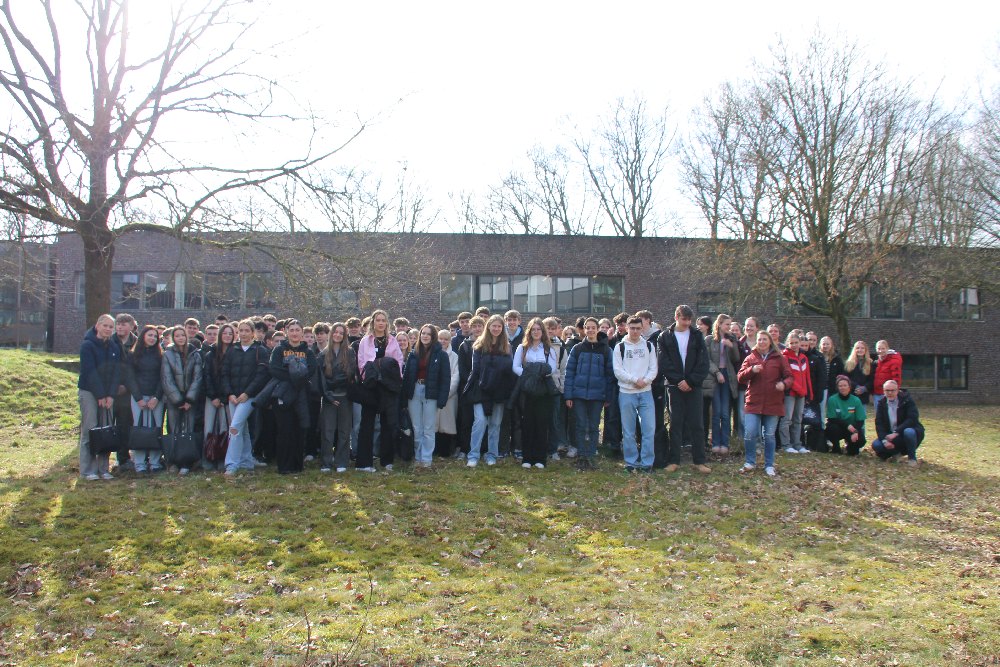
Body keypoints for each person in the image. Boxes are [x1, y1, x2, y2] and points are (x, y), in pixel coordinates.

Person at [658, 305, 711, 474]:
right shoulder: (665, 336)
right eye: (684, 319)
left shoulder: (697, 335)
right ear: (676, 317)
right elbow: (664, 362)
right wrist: (678, 381)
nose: (687, 323)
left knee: (697, 424)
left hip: (694, 386)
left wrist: (690, 381)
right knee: (676, 423)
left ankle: (699, 461)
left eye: (689, 320)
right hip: (674, 387)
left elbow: (703, 362)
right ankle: (674, 460)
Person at [738, 330, 793, 477]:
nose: (762, 342)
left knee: (769, 435)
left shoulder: (780, 358)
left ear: (770, 342)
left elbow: (789, 377)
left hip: (773, 403)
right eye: (759, 339)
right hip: (753, 402)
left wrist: (784, 384)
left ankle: (769, 465)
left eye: (764, 339)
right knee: (750, 432)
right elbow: (740, 377)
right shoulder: (751, 357)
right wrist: (752, 370)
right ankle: (750, 462)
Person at [463, 314, 515, 467]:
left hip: (499, 391)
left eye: (499, 326)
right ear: (489, 327)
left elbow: (509, 369)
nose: (496, 329)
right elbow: (475, 370)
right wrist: (468, 388)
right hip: (481, 389)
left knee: (495, 424)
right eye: (494, 326)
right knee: (479, 421)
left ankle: (491, 454)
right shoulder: (479, 345)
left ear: (502, 328)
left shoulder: (507, 346)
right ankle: (473, 455)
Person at [564, 317, 615, 471]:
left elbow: (610, 376)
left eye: (593, 327)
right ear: (584, 329)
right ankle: (581, 455)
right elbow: (569, 373)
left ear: (598, 329)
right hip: (579, 395)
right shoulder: (577, 349)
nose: (591, 330)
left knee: (593, 426)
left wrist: (608, 396)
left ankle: (591, 454)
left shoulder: (606, 350)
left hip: (597, 396)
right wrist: (568, 395)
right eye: (588, 327)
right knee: (580, 425)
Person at [356, 310, 405, 472]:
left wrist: (394, 380)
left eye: (383, 320)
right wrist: (369, 376)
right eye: (378, 320)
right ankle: (364, 463)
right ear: (373, 322)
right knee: (367, 424)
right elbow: (361, 362)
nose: (381, 323)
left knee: (387, 424)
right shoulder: (365, 341)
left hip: (387, 387)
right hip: (370, 386)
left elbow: (398, 362)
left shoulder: (392, 340)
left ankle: (387, 460)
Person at [77, 314, 123, 481]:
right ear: (97, 326)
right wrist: (100, 395)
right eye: (105, 326)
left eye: (111, 327)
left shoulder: (114, 347)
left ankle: (103, 469)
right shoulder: (87, 345)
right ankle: (87, 470)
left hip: (108, 394)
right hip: (90, 392)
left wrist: (110, 395)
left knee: (106, 430)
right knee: (90, 430)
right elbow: (90, 372)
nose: (108, 329)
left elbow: (116, 372)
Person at [221, 319, 270, 476]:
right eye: (240, 330)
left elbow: (261, 375)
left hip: (250, 396)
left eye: (246, 330)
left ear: (253, 332)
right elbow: (224, 373)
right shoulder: (232, 350)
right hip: (233, 397)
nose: (243, 333)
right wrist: (229, 393)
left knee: (234, 427)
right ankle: (246, 461)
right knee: (243, 429)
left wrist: (247, 393)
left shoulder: (260, 350)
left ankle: (231, 464)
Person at [268, 319, 316, 474]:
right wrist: (293, 376)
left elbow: (311, 369)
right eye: (292, 330)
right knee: (284, 430)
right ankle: (284, 466)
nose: (295, 333)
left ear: (302, 333)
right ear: (287, 332)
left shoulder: (308, 352)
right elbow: (274, 369)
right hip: (283, 393)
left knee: (299, 429)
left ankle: (297, 465)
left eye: (297, 330)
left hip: (302, 394)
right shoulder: (279, 350)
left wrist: (297, 378)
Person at [512, 317, 559, 469]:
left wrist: (537, 372)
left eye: (539, 329)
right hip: (527, 390)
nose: (536, 332)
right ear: (529, 331)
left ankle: (540, 458)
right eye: (533, 329)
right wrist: (529, 375)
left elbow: (551, 368)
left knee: (542, 424)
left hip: (543, 391)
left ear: (542, 331)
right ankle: (527, 458)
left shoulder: (549, 349)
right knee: (527, 424)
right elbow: (516, 367)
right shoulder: (522, 348)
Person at [401, 324, 451, 468]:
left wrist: (442, 399)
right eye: (423, 333)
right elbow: (406, 376)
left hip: (431, 393)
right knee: (417, 427)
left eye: (428, 334)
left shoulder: (441, 355)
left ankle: (426, 459)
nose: (425, 336)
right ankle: (418, 458)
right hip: (415, 391)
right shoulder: (413, 353)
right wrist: (404, 396)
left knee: (428, 428)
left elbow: (445, 379)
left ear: (433, 336)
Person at [612, 316, 658, 471]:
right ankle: (631, 463)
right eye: (632, 328)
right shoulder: (620, 347)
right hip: (626, 393)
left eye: (638, 328)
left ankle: (647, 463)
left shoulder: (649, 346)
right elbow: (618, 370)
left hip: (646, 392)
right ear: (627, 328)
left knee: (648, 429)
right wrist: (634, 380)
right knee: (628, 431)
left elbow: (653, 368)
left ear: (642, 329)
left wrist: (645, 381)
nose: (635, 331)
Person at [161, 325, 203, 475]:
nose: (180, 338)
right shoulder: (168, 354)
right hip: (174, 399)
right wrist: (178, 400)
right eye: (177, 335)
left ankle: (186, 461)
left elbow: (197, 378)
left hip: (190, 399)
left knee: (188, 430)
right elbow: (167, 378)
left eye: (182, 335)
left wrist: (189, 399)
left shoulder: (195, 354)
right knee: (174, 429)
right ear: (173, 337)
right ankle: (173, 461)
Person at [317, 322, 357, 473]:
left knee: (344, 431)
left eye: (341, 333)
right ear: (331, 333)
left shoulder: (350, 352)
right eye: (336, 332)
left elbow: (350, 373)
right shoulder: (323, 354)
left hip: (345, 396)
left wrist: (334, 383)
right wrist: (327, 394)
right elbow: (320, 378)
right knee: (327, 431)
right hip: (329, 398)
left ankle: (342, 461)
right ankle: (326, 462)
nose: (338, 335)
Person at [125, 325, 165, 474]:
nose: (152, 338)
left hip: (156, 398)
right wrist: (138, 398)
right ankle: (140, 463)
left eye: (155, 336)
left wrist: (157, 397)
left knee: (156, 428)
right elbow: (130, 377)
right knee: (139, 428)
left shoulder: (161, 356)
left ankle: (155, 462)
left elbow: (163, 378)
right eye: (150, 335)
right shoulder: (133, 355)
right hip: (139, 398)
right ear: (143, 336)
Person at [201, 322, 235, 472]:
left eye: (230, 333)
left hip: (228, 397)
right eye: (225, 333)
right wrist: (213, 396)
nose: (227, 336)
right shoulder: (211, 354)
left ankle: (223, 458)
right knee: (209, 429)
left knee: (226, 429)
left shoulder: (235, 353)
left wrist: (225, 396)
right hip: (212, 397)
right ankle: (208, 458)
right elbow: (207, 376)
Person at [706, 314, 740, 456]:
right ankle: (715, 443)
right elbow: (706, 360)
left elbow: (736, 359)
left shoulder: (732, 339)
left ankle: (725, 443)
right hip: (714, 377)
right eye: (727, 324)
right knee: (716, 412)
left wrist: (732, 347)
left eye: (730, 324)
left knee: (725, 413)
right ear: (719, 324)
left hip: (728, 377)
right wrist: (717, 372)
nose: (729, 327)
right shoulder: (709, 340)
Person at [872, 380, 924, 466]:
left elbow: (912, 419)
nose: (890, 393)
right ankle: (896, 454)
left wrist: (896, 432)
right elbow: (879, 424)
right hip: (891, 436)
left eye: (893, 390)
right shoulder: (881, 404)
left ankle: (912, 458)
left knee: (909, 432)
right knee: (876, 445)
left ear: (897, 390)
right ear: (883, 391)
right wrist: (885, 441)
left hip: (907, 433)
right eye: (887, 390)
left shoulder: (907, 400)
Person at [779, 332, 813, 455]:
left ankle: (797, 444)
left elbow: (807, 377)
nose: (794, 345)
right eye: (791, 343)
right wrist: (799, 389)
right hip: (790, 393)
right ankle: (786, 445)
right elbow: (788, 376)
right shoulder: (785, 357)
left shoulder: (804, 357)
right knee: (787, 419)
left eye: (796, 343)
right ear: (787, 343)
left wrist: (809, 392)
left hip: (802, 393)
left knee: (798, 419)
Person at [456, 316, 485, 458]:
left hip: (483, 387)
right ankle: (464, 449)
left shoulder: (487, 344)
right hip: (467, 387)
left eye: (480, 326)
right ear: (471, 328)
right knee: (466, 420)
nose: (477, 329)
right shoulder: (464, 345)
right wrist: (470, 381)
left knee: (482, 420)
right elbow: (461, 368)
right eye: (475, 326)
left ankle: (482, 449)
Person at [112, 313, 138, 471]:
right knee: (109, 425)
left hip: (128, 392)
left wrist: (127, 386)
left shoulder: (137, 343)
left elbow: (137, 368)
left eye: (123, 324)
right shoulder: (109, 341)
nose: (120, 327)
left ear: (131, 326)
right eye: (118, 324)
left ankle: (123, 457)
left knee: (125, 425)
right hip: (110, 390)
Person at [435, 328, 461, 457]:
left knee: (447, 424)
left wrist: (446, 393)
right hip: (434, 395)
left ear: (450, 341)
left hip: (449, 396)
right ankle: (434, 450)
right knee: (433, 424)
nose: (443, 341)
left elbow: (456, 376)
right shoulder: (433, 353)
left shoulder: (455, 356)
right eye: (440, 339)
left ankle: (445, 451)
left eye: (446, 339)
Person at [825, 375, 866, 455]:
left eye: (845, 385)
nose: (842, 388)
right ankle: (836, 447)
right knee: (831, 428)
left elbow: (861, 420)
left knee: (859, 443)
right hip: (839, 427)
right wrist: (847, 425)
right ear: (837, 387)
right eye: (840, 386)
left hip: (852, 428)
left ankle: (850, 446)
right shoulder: (832, 399)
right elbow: (831, 418)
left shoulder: (856, 400)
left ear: (849, 387)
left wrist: (855, 432)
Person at [872, 340, 903, 411]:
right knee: (879, 414)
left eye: (883, 348)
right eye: (879, 349)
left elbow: (896, 378)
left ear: (887, 349)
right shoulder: (877, 362)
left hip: (889, 393)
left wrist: (894, 391)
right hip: (877, 392)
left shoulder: (894, 361)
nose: (881, 351)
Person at [844, 341, 875, 405]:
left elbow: (872, 379)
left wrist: (864, 388)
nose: (860, 350)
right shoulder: (848, 363)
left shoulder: (870, 363)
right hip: (851, 393)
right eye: (857, 348)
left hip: (864, 394)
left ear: (865, 350)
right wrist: (856, 386)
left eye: (862, 348)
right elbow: (845, 378)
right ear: (854, 350)